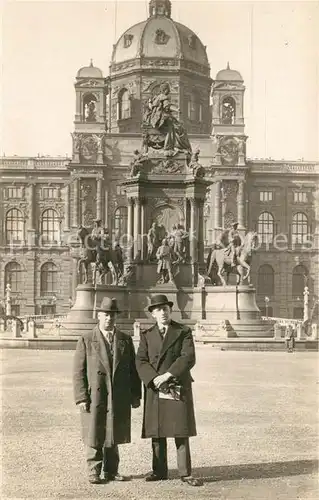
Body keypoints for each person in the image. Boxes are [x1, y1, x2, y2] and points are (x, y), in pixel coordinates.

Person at [135, 294, 203, 487]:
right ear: (153, 314)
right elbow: (141, 360)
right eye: (158, 310)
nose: (162, 313)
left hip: (176, 385)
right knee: (157, 431)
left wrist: (167, 375)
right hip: (156, 387)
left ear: (170, 310)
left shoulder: (183, 332)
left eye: (165, 309)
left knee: (180, 430)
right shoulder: (147, 335)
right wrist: (154, 378)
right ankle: (159, 470)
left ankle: (185, 473)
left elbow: (188, 357)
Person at [73, 297, 141, 484]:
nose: (109, 318)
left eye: (112, 315)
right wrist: (81, 397)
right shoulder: (87, 339)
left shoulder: (125, 340)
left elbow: (133, 370)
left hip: (118, 394)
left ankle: (112, 471)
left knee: (113, 432)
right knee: (94, 432)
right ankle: (94, 471)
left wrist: (135, 395)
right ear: (99, 316)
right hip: (96, 394)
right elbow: (78, 371)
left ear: (116, 317)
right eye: (105, 314)